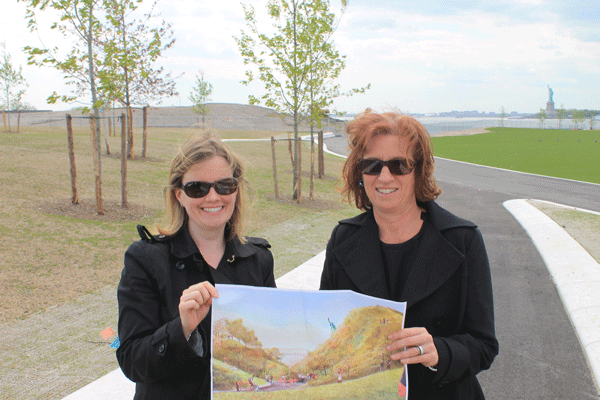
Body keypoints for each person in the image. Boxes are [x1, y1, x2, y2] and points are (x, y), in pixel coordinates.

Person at [320, 110, 498, 399]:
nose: (385, 176)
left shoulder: (463, 241)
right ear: (360, 173)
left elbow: (484, 345)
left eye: (399, 165)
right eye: (372, 165)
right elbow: (328, 328)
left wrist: (438, 351)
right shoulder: (343, 239)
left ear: (419, 171)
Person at [116, 134, 276, 399]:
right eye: (197, 188)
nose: (213, 197)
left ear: (236, 190)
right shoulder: (145, 260)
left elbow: (268, 342)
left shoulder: (258, 260)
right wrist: (182, 328)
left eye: (225, 185)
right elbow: (132, 361)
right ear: (179, 194)